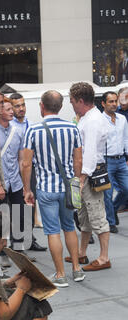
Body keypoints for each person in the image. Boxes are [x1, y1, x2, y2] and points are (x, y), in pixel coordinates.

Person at [23, 91, 84, 287]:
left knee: (52, 232)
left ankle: (60, 274)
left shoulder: (33, 130)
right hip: (68, 188)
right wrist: (76, 181)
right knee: (69, 227)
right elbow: (78, 159)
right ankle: (76, 269)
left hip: (46, 187)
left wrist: (27, 189)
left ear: (42, 106)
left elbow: (26, 164)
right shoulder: (72, 128)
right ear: (60, 106)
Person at [69, 82, 111, 272]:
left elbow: (91, 152)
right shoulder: (88, 116)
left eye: (72, 101)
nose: (71, 105)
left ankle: (104, 257)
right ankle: (82, 252)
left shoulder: (93, 120)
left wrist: (82, 176)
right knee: (84, 215)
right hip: (86, 172)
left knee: (97, 214)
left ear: (80, 101)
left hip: (90, 173)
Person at [0, 99, 35, 267]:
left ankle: (18, 249)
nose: (12, 112)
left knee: (20, 216)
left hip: (15, 181)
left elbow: (21, 159)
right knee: (3, 217)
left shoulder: (18, 131)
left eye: (13, 108)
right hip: (0, 181)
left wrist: (26, 187)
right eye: (8, 109)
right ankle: (3, 251)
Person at [9, 92, 47, 253]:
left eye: (23, 105)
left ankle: (29, 239)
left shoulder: (32, 125)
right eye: (17, 106)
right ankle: (16, 242)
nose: (21, 109)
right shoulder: (8, 127)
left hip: (31, 171)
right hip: (14, 173)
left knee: (30, 206)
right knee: (17, 209)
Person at [101, 91, 128, 233]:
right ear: (103, 103)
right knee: (107, 193)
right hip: (107, 161)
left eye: (115, 101)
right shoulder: (99, 120)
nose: (113, 104)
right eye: (110, 101)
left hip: (121, 160)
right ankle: (110, 221)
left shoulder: (122, 119)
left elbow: (126, 139)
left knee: (126, 189)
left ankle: (114, 209)